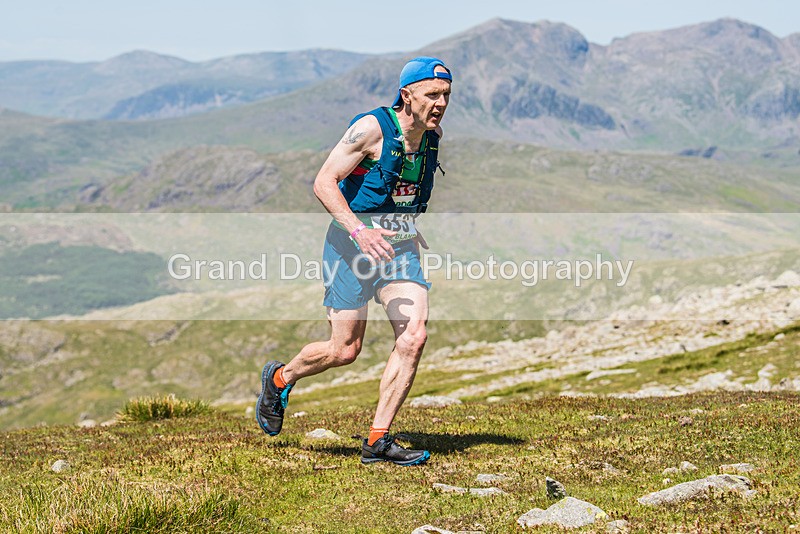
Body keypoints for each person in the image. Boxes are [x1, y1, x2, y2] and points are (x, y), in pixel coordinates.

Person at [256, 57, 452, 466]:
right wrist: (361, 231)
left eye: (446, 95)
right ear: (407, 95)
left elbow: (403, 186)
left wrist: (405, 223)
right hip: (350, 247)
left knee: (413, 337)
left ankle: (378, 440)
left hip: (399, 250)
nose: (440, 103)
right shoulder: (370, 129)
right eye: (432, 94)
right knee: (345, 350)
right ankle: (280, 379)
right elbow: (323, 182)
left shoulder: (431, 137)